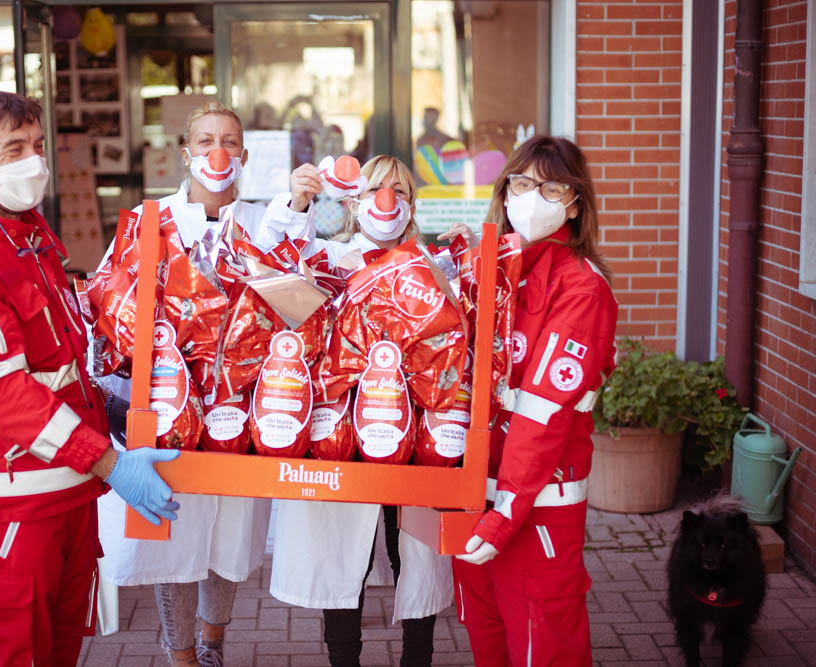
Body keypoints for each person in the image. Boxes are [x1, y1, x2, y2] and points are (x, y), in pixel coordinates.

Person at [0, 91, 180, 666]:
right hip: (16, 508)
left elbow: (62, 357)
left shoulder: (32, 237)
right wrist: (108, 462)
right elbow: (0, 393)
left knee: (60, 651)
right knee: (9, 655)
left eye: (37, 145)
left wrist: (111, 403)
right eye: (14, 149)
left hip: (70, 495)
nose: (33, 160)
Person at [93, 100, 318, 667]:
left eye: (230, 141)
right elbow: (109, 304)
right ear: (185, 152)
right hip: (167, 409)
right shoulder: (149, 223)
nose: (217, 152)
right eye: (205, 141)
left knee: (232, 536)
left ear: (244, 155)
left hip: (240, 410)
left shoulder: (265, 223)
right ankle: (182, 658)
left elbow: (304, 303)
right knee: (177, 534)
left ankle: (213, 646)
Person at [441, 135, 617, 666]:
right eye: (520, 183)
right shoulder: (491, 271)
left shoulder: (582, 289)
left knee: (544, 648)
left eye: (549, 186)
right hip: (475, 498)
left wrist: (505, 516)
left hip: (534, 513)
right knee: (487, 639)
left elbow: (543, 416)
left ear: (574, 201)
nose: (530, 197)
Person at [272, 155, 451, 667]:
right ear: (354, 200)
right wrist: (296, 203)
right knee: (340, 552)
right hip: (341, 432)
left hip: (415, 433)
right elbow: (273, 267)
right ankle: (343, 660)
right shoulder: (331, 258)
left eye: (399, 191)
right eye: (375, 189)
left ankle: (418, 659)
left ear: (412, 204)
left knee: (413, 549)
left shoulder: (433, 265)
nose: (387, 201)